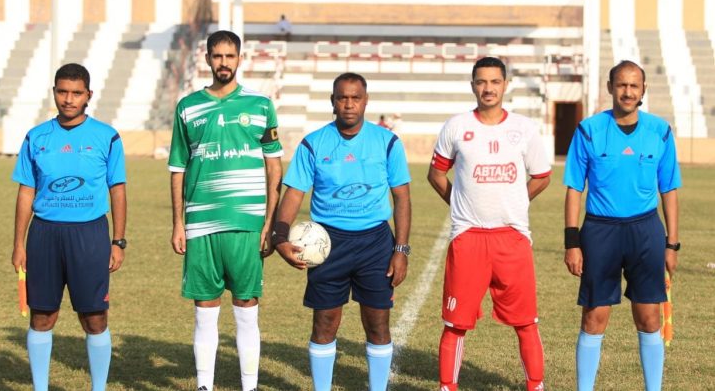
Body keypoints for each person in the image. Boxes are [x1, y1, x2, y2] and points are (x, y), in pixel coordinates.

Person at [271, 72, 411, 391]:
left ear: (366, 101)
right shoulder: (314, 143)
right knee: (325, 322)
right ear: (332, 102)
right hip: (327, 244)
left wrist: (401, 250)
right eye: (342, 98)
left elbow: (402, 197)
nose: (349, 104)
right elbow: (294, 193)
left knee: (377, 323)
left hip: (375, 243)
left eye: (355, 98)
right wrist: (279, 237)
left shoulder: (387, 142)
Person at [168, 30, 283, 391]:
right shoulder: (188, 107)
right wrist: (178, 223)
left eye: (229, 56)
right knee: (205, 309)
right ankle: (204, 385)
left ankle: (249, 386)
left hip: (247, 222)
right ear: (207, 59)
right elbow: (177, 168)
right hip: (201, 222)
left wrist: (269, 223)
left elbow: (274, 166)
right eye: (217, 56)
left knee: (247, 307)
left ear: (239, 59)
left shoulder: (260, 105)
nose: (223, 62)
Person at [428, 56, 551, 391]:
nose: (488, 88)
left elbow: (542, 176)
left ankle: (535, 385)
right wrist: (459, 204)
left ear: (505, 85)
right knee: (455, 323)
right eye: (481, 82)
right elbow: (436, 174)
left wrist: (519, 201)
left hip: (512, 237)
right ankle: (447, 386)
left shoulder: (523, 128)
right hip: (468, 237)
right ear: (472, 86)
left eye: (495, 82)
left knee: (526, 322)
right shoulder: (456, 126)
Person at [563, 60, 681, 391]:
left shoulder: (660, 131)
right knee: (594, 317)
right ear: (610, 88)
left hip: (645, 231)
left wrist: (672, 244)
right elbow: (574, 188)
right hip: (600, 231)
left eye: (634, 86)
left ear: (643, 90)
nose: (627, 92)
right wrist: (572, 242)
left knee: (649, 317)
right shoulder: (588, 130)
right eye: (621, 85)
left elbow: (669, 189)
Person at [11, 63, 127, 391]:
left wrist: (118, 241)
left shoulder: (107, 136)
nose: (68, 99)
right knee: (42, 316)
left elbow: (118, 189)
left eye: (76, 93)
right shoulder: (36, 137)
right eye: (62, 91)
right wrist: (19, 243)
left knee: (95, 318)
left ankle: (98, 388)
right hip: (44, 234)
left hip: (90, 234)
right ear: (54, 93)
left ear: (88, 95)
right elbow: (26, 191)